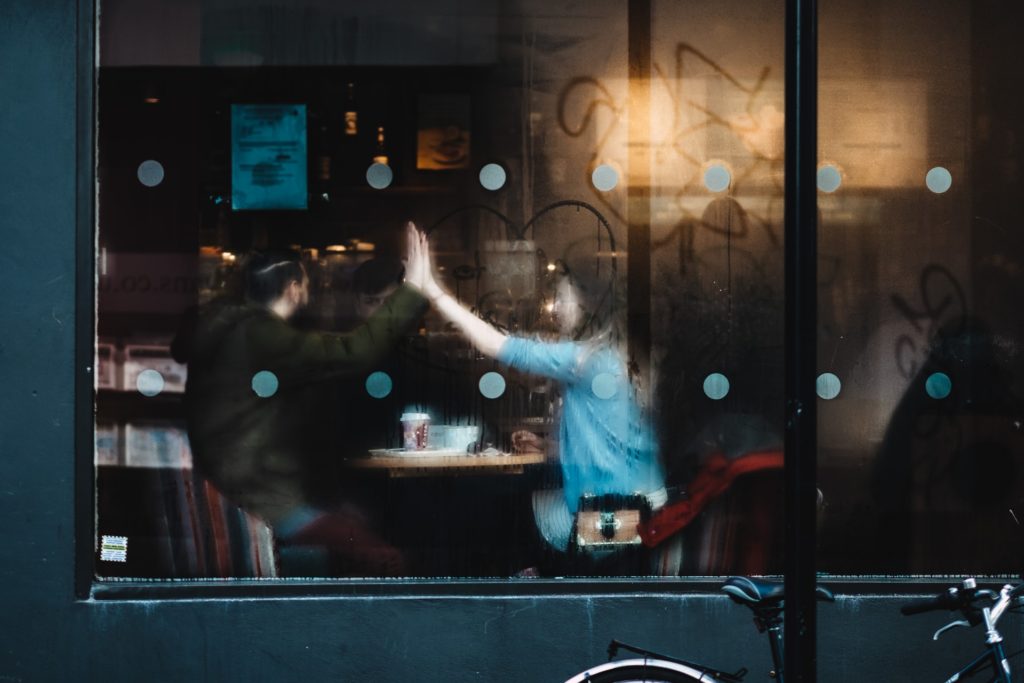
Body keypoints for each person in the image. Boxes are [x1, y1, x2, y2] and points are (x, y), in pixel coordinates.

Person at [174, 224, 430, 576]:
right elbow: (356, 352)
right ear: (294, 288)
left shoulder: (231, 327)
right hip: (262, 500)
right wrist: (413, 288)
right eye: (307, 282)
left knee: (360, 518)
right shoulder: (261, 335)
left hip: (240, 490)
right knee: (387, 559)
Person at [407, 229, 670, 572]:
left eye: (562, 298)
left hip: (611, 518)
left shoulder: (583, 360)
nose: (555, 307)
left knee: (495, 510)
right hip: (647, 504)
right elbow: (614, 442)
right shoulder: (620, 356)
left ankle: (527, 586)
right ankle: (536, 576)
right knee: (517, 508)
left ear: (588, 302)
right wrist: (550, 445)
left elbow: (499, 347)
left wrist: (433, 292)